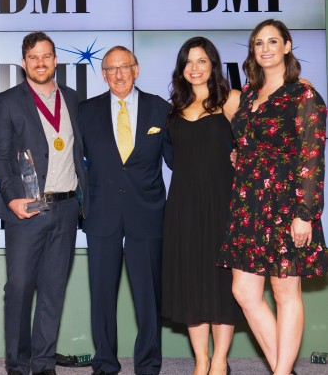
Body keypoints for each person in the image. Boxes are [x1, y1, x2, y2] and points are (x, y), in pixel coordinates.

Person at [218, 19, 328, 375]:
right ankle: (284, 368)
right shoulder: (248, 94)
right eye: (258, 43)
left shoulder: (304, 95)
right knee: (245, 292)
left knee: (285, 294)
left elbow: (312, 156)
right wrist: (242, 156)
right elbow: (245, 142)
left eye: (272, 41)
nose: (265, 48)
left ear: (287, 46)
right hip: (247, 202)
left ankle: (281, 372)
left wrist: (305, 213)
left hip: (285, 204)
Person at [0, 32, 87, 375]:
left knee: (52, 290)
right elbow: (0, 155)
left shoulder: (74, 100)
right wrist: (11, 197)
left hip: (65, 209)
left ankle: (44, 363)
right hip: (25, 209)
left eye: (46, 56)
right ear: (23, 63)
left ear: (56, 60)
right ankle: (17, 363)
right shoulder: (7, 101)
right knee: (18, 287)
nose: (41, 63)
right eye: (33, 57)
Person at [78, 45, 171, 375]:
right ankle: (104, 363)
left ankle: (148, 364)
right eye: (110, 69)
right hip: (101, 214)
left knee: (149, 297)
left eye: (124, 67)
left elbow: (180, 158)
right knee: (102, 295)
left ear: (136, 69)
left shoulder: (160, 109)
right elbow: (71, 161)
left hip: (147, 213)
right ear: (103, 75)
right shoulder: (85, 111)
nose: (118, 74)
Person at [161, 38, 242, 375]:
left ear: (213, 65)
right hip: (183, 204)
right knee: (191, 280)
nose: (195, 68)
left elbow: (264, 131)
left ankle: (220, 360)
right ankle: (201, 360)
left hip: (223, 203)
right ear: (181, 69)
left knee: (222, 282)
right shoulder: (173, 109)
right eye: (188, 62)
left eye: (202, 61)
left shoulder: (232, 101)